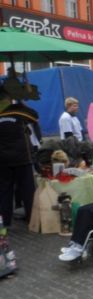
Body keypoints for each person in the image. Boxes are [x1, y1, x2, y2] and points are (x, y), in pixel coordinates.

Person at [0, 90, 37, 227]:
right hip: (22, 158)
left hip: (3, 160)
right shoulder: (18, 111)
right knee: (27, 191)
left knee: (4, 192)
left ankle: (5, 222)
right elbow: (35, 117)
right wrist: (20, 103)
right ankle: (32, 220)